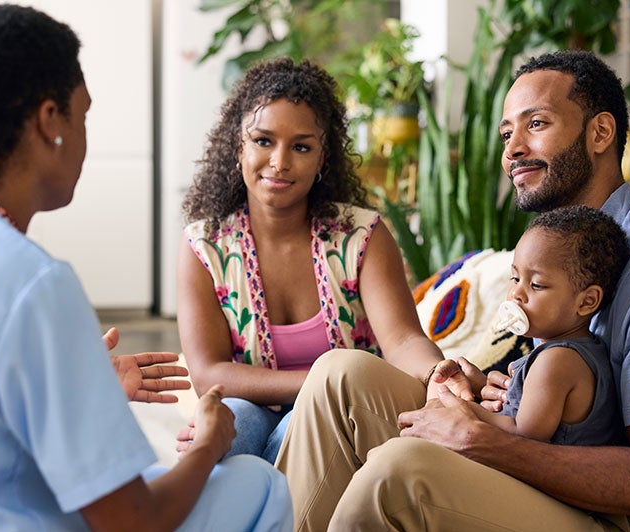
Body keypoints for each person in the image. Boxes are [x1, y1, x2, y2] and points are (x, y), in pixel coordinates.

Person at [0, 5, 292, 532]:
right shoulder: (33, 283)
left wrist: (75, 386)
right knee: (257, 484)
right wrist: (208, 445)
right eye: (84, 114)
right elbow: (131, 523)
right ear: (51, 121)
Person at [275, 50, 630, 532]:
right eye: (507, 133)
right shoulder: (559, 249)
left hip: (619, 518)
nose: (512, 150)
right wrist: (482, 386)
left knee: (399, 473)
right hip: (549, 475)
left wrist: (478, 439)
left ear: (600, 133)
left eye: (537, 124)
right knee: (341, 374)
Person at [176, 58, 467, 464]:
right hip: (254, 403)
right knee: (232, 422)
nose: (279, 161)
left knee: (302, 425)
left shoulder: (362, 236)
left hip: (339, 412)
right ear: (237, 145)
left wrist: (437, 373)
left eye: (300, 146)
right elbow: (208, 373)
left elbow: (401, 340)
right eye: (263, 140)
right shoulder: (205, 246)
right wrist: (318, 382)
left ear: (323, 156)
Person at [462, 205, 629, 445]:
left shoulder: (558, 361)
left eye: (537, 285)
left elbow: (523, 436)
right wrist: (478, 388)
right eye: (515, 278)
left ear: (587, 301)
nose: (516, 294)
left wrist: (460, 408)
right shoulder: (576, 352)